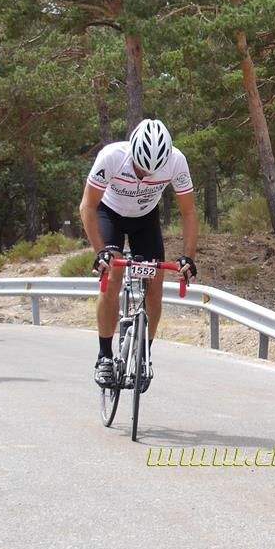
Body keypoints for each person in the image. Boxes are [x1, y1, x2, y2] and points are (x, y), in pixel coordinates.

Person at [80, 118, 198, 387]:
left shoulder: (177, 162)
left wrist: (188, 256)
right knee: (112, 279)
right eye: (140, 169)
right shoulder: (111, 157)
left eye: (152, 172)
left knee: (155, 286)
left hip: (145, 219)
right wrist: (101, 252)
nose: (145, 175)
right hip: (109, 214)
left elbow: (189, 212)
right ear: (131, 151)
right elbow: (87, 207)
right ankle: (104, 356)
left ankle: (144, 355)